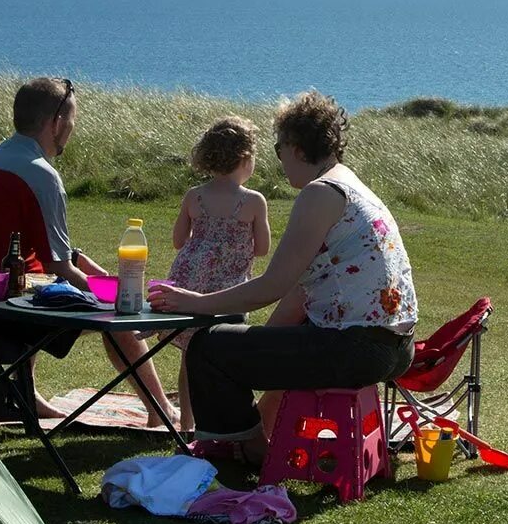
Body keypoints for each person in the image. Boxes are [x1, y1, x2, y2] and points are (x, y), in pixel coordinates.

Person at [149, 91, 416, 459]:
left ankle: (244, 451)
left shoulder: (320, 193)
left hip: (357, 347)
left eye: (278, 149)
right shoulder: (350, 183)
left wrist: (198, 303)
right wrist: (254, 343)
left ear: (296, 146)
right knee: (232, 344)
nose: (279, 160)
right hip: (395, 346)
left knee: (207, 347)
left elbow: (272, 285)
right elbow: (297, 294)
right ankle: (251, 440)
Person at [0, 76, 174, 425]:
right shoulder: (40, 174)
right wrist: (112, 293)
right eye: (72, 122)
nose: (71, 130)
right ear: (57, 123)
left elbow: (22, 247)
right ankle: (160, 409)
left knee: (41, 282)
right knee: (115, 313)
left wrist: (78, 262)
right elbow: (59, 269)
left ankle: (29, 395)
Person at [165, 116, 272, 432]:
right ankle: (229, 425)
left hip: (189, 284)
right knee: (225, 354)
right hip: (226, 290)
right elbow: (263, 248)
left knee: (190, 357)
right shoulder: (252, 201)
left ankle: (187, 423)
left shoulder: (194, 196)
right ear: (244, 158)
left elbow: (178, 241)